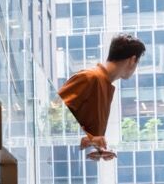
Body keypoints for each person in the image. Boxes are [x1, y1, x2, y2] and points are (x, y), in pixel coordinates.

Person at [58, 33, 146, 161]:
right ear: (132, 60)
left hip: (73, 162)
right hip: (63, 161)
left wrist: (99, 148)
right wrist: (90, 139)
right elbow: (52, 116)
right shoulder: (90, 78)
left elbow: (83, 128)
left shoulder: (104, 84)